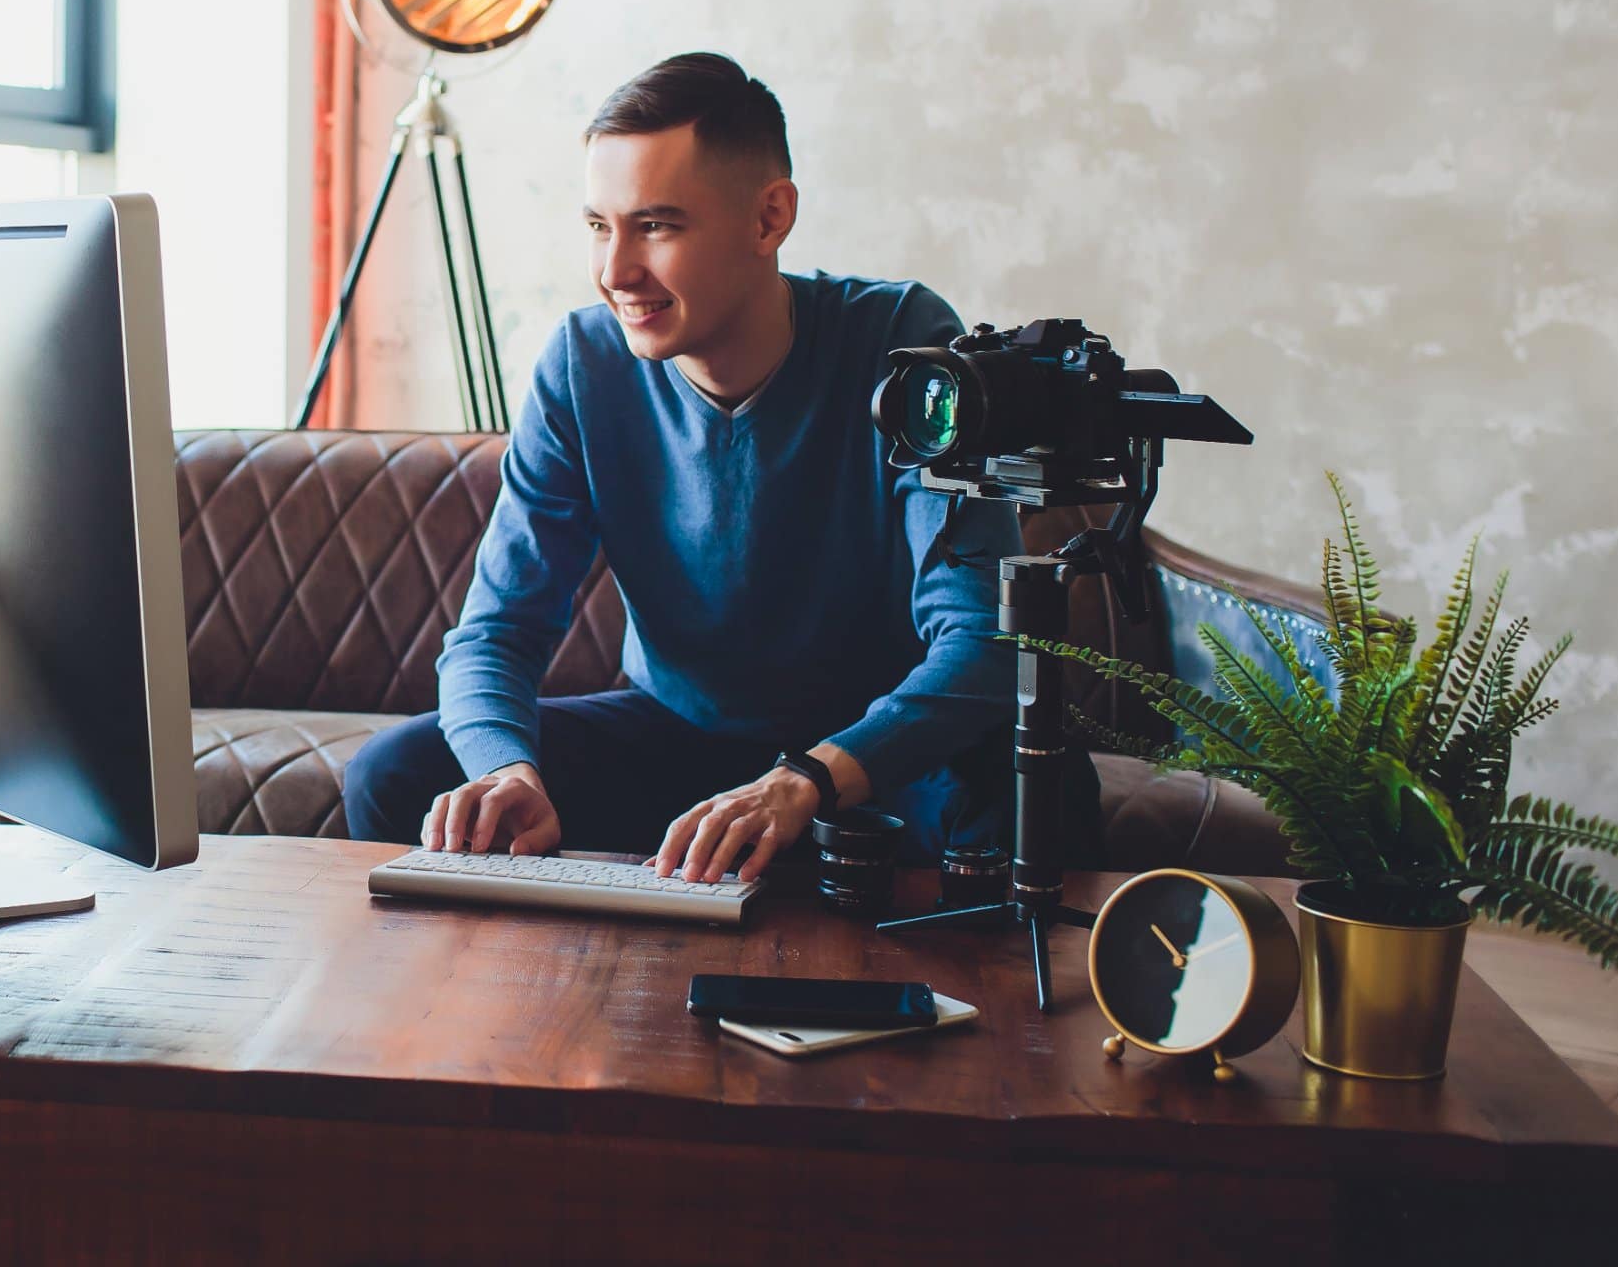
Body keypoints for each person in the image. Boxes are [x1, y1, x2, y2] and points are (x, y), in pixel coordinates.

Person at [342, 52, 1097, 882]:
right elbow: (494, 633)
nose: (615, 273)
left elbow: (981, 640)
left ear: (769, 219)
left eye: (657, 226)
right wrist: (504, 770)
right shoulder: (582, 365)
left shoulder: (902, 345)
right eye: (600, 225)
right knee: (398, 776)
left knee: (1041, 790)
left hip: (867, 762)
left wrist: (809, 778)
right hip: (670, 740)